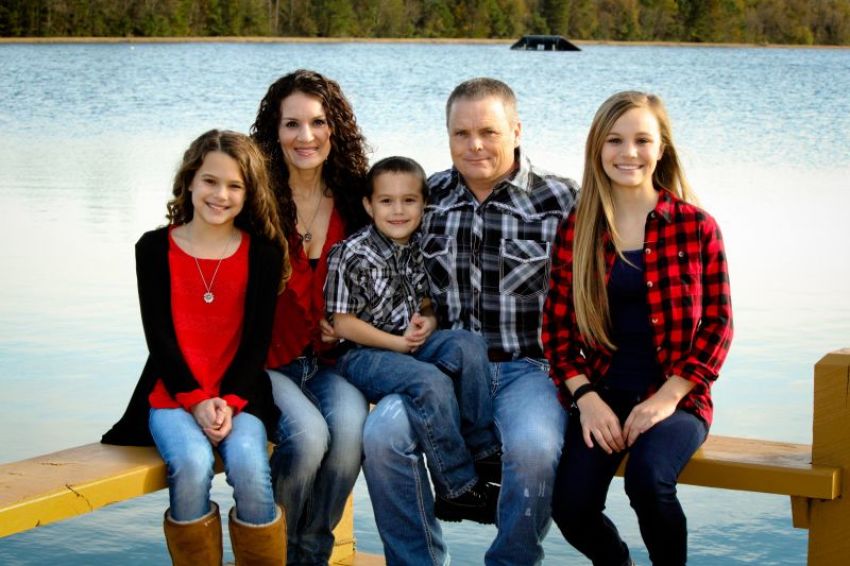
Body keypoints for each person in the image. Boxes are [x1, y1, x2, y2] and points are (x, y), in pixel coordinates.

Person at [361, 78, 579, 565]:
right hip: (442, 372)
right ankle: (417, 560)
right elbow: (384, 269)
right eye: (461, 133)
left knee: (534, 448)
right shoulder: (425, 198)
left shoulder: (563, 201)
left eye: (488, 131)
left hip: (528, 370)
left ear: (517, 130)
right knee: (380, 436)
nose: (474, 145)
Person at [542, 91, 733, 566]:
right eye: (615, 140)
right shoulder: (578, 228)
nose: (628, 153)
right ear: (597, 149)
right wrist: (586, 400)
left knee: (648, 480)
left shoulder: (695, 227)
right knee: (571, 504)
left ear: (661, 148)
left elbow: (719, 325)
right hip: (603, 395)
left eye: (642, 140)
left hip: (680, 398)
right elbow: (557, 330)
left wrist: (666, 399)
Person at [101, 129, 291, 565]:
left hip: (239, 396)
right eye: (210, 181)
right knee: (189, 464)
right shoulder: (153, 249)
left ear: (248, 193)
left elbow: (257, 340)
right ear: (189, 181)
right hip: (173, 395)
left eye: (234, 185)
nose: (220, 195)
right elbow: (160, 338)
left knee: (248, 464)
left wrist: (228, 400)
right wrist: (195, 401)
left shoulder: (260, 253)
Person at [326, 156, 500, 524]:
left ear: (423, 204)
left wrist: (429, 319)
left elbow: (423, 300)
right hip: (362, 354)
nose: (398, 210)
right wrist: (396, 345)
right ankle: (457, 489)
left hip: (407, 344)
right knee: (430, 381)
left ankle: (483, 450)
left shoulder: (418, 244)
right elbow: (342, 324)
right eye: (386, 201)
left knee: (468, 345)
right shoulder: (352, 253)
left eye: (409, 200)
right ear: (368, 205)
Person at [250, 69, 369, 564]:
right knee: (307, 439)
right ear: (273, 132)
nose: (306, 137)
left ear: (334, 128)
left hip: (331, 362)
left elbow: (393, 271)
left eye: (317, 123)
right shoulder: (252, 199)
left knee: (347, 439)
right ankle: (274, 556)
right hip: (267, 362)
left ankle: (310, 553)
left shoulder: (357, 199)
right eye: (291, 124)